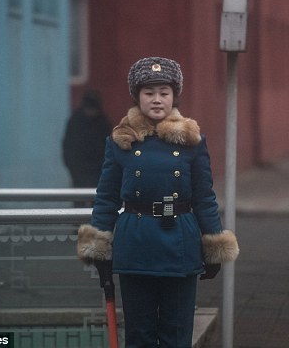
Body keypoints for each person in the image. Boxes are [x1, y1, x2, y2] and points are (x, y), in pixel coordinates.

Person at [77, 57, 239, 348]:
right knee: (139, 335)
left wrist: (213, 244)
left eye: (164, 92)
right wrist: (99, 244)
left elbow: (204, 197)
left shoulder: (193, 141)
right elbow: (107, 197)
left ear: (174, 95)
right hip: (135, 244)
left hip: (180, 244)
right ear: (137, 96)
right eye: (149, 93)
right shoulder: (119, 141)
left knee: (176, 335)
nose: (156, 99)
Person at [62, 90, 113, 188]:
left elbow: (108, 147)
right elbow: (68, 145)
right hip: (78, 169)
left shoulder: (103, 123)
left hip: (97, 170)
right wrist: (72, 166)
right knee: (79, 197)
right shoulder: (76, 121)